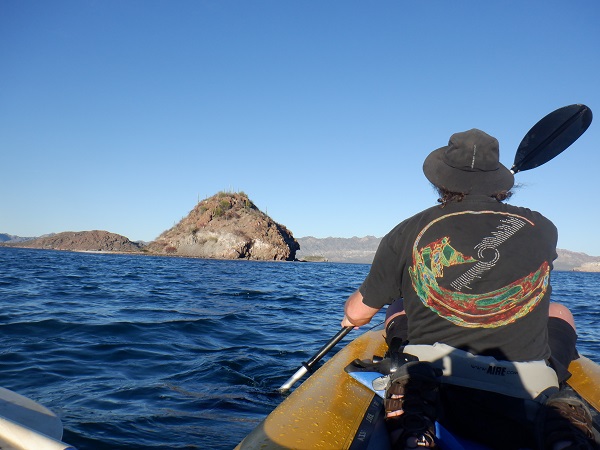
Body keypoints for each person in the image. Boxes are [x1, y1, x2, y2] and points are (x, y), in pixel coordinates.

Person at [341, 129, 596, 449]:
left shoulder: (408, 229)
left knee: (398, 305)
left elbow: (358, 312)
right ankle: (557, 413)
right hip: (521, 392)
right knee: (559, 311)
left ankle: (414, 417)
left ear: (440, 181)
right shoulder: (544, 228)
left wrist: (352, 317)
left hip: (437, 382)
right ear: (500, 184)